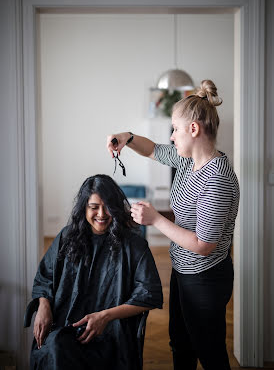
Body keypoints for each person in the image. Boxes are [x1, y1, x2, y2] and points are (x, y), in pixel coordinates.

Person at [107, 79, 240, 370]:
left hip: (205, 278)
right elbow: (152, 149)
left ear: (194, 129)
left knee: (210, 353)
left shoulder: (216, 179)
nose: (171, 137)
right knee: (180, 345)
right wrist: (126, 137)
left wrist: (155, 219)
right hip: (183, 270)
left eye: (175, 129)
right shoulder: (187, 161)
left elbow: (204, 246)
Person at [29, 174, 163, 370]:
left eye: (108, 206)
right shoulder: (67, 237)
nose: (101, 214)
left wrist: (105, 316)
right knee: (56, 348)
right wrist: (43, 306)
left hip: (112, 333)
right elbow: (45, 276)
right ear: (83, 208)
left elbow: (149, 294)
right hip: (66, 327)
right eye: (94, 207)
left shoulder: (134, 245)